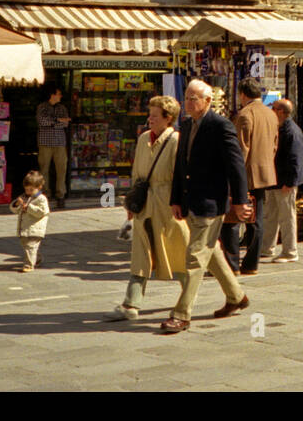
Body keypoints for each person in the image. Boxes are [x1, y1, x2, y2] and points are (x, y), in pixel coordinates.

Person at [161, 80, 252, 333]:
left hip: (211, 202)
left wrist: (241, 200)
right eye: (186, 98)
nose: (188, 103)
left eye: (194, 98)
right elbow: (181, 165)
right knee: (211, 253)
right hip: (191, 200)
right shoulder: (188, 125)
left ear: (208, 101)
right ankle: (236, 296)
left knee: (195, 257)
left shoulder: (221, 126)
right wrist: (176, 198)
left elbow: (236, 166)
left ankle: (181, 314)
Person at [108, 96, 190, 320]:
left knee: (178, 250)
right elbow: (136, 173)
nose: (149, 119)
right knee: (140, 254)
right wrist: (131, 202)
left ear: (168, 118)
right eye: (149, 114)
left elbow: (181, 176)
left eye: (155, 116)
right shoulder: (144, 138)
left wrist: (179, 202)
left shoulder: (176, 140)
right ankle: (131, 303)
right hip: (145, 204)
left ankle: (190, 295)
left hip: (167, 204)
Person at [219, 76, 277, 276]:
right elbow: (275, 145)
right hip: (265, 173)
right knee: (256, 221)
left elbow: (240, 150)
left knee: (233, 220)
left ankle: (232, 264)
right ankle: (251, 264)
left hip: (246, 174)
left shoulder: (245, 115)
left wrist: (233, 177)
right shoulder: (271, 114)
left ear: (243, 94)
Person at [261, 98, 303, 264]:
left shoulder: (291, 131)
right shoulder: (279, 128)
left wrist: (291, 181)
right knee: (270, 215)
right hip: (274, 180)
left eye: (274, 107)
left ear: (280, 111)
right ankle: (267, 247)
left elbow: (295, 159)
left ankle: (290, 251)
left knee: (287, 218)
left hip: (285, 182)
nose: (271, 110)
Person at [36, 85, 71, 209]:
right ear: (52, 95)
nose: (60, 96)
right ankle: (46, 193)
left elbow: (66, 123)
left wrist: (53, 122)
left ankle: (60, 194)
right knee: (44, 168)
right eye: (59, 93)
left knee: (61, 169)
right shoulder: (42, 107)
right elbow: (41, 122)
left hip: (60, 143)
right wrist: (57, 121)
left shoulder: (62, 108)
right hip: (45, 142)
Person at [10, 170, 51, 271]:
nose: (28, 192)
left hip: (35, 228)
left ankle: (29, 265)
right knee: (27, 246)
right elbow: (16, 210)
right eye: (26, 189)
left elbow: (41, 212)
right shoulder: (25, 196)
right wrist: (16, 204)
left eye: (31, 190)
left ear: (39, 187)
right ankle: (37, 259)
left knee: (30, 246)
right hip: (24, 228)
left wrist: (27, 206)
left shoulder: (41, 199)